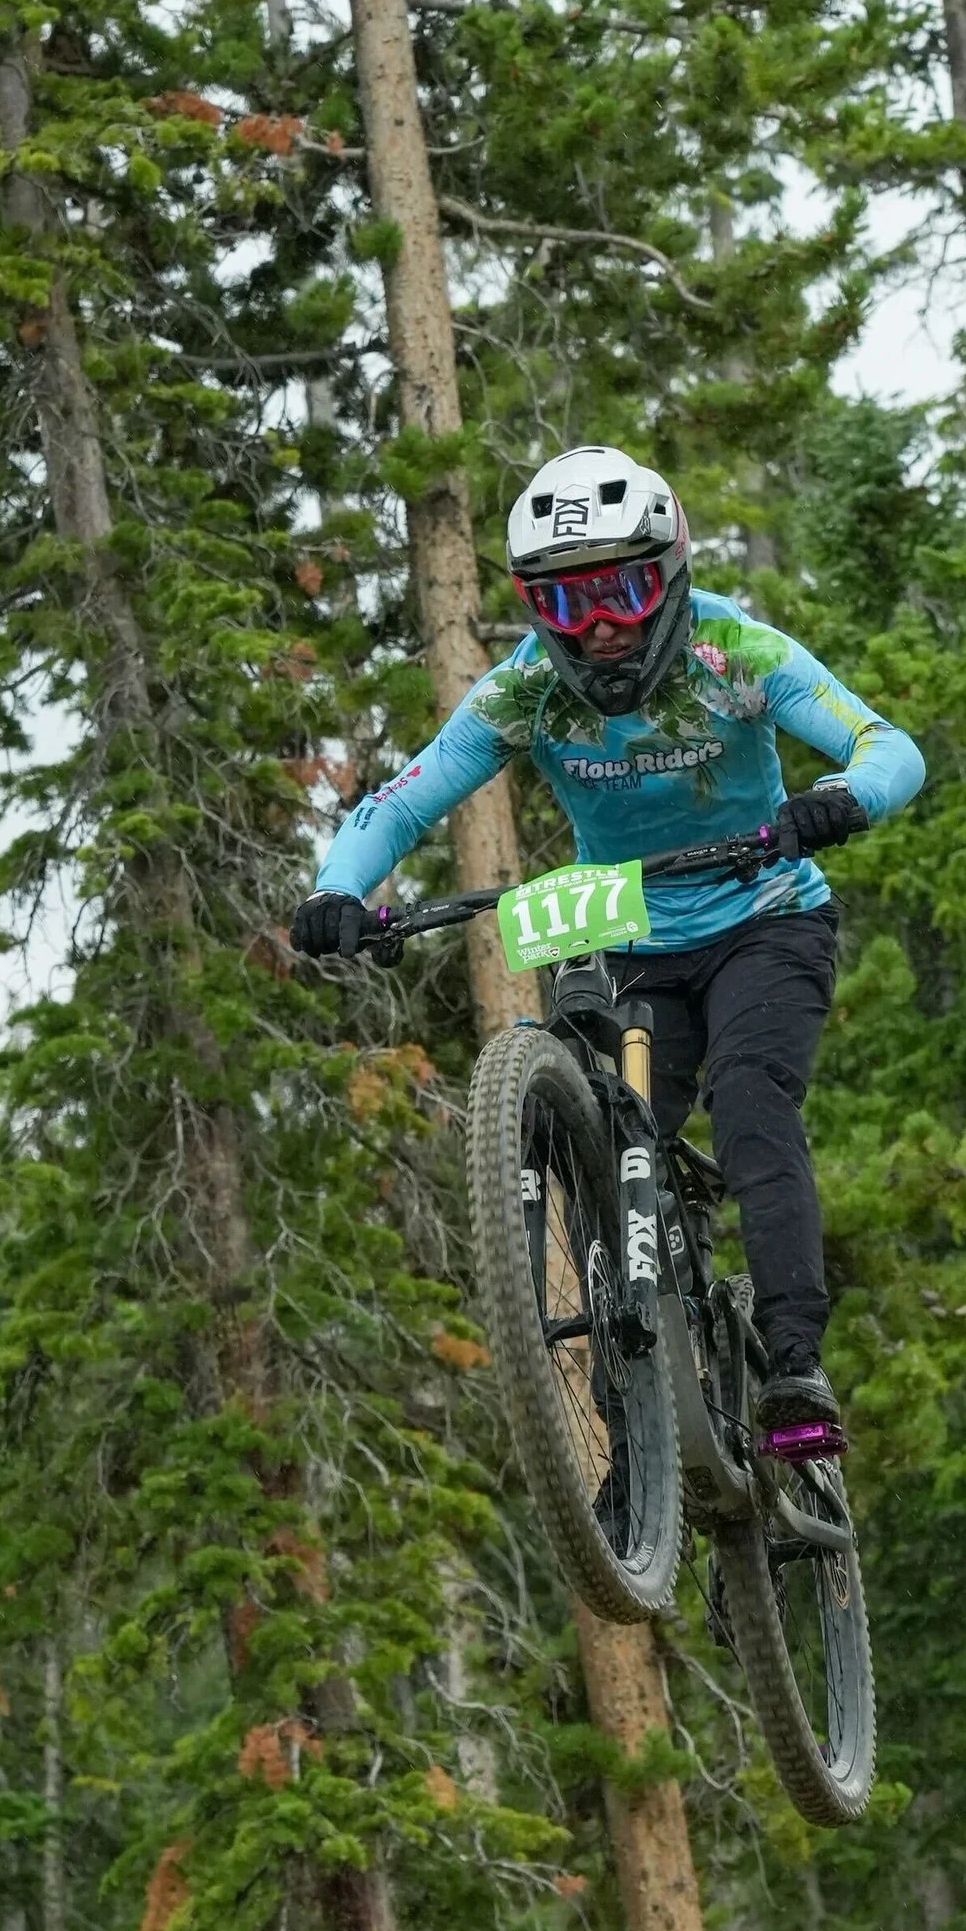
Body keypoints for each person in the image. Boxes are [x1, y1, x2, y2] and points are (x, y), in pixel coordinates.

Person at [289, 444, 923, 1453]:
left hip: (763, 917)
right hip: (627, 933)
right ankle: (645, 1402)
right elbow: (402, 802)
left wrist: (840, 799)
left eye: (622, 592)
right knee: (605, 1143)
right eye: (566, 605)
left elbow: (887, 745)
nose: (597, 627)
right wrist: (337, 889)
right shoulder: (525, 691)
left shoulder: (734, 652)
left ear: (669, 576)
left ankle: (793, 1364)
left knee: (753, 1107)